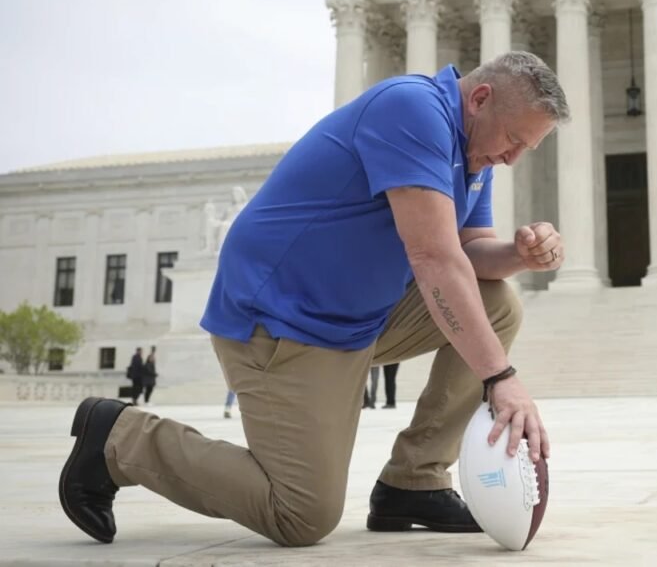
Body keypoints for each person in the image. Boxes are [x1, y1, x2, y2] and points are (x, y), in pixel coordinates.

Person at [58, 52, 568, 548]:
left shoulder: (474, 152)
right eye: (513, 141)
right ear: (479, 98)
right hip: (280, 323)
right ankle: (120, 437)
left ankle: (414, 482)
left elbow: (470, 252)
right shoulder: (412, 110)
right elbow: (434, 257)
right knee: (301, 514)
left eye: (527, 150)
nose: (512, 158)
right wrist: (500, 378)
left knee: (498, 302)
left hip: (355, 320)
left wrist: (519, 255)